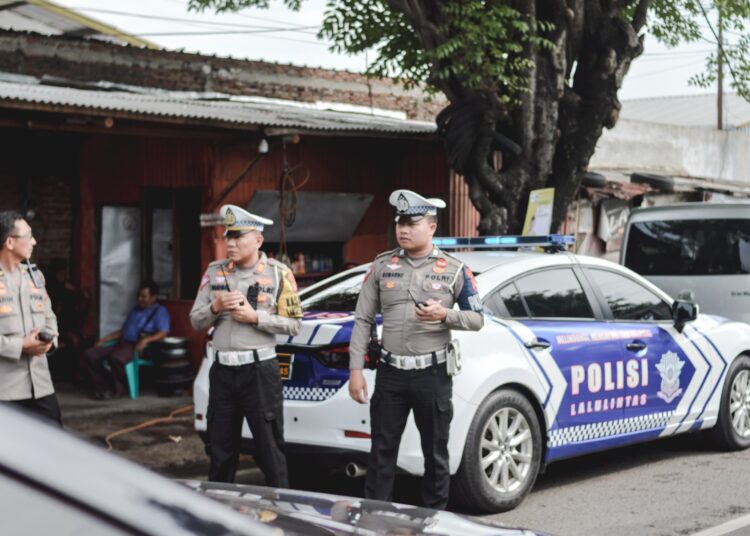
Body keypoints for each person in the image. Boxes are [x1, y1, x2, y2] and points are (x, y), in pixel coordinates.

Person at [348, 189, 484, 509]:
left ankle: (433, 521)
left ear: (432, 227)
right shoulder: (382, 266)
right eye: (400, 223)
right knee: (381, 453)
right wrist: (355, 370)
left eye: (412, 222)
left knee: (435, 455)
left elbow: (478, 319)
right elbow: (363, 319)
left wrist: (445, 315)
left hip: (433, 375)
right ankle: (376, 521)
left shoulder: (455, 269)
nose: (404, 229)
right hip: (391, 374)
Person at [190, 204, 302, 486]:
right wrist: (215, 307)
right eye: (229, 236)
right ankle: (217, 515)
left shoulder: (279, 274)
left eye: (238, 237)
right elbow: (195, 320)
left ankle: (283, 517)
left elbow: (294, 325)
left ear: (258, 240)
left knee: (269, 450)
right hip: (223, 372)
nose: (231, 243)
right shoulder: (215, 272)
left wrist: (256, 318)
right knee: (221, 451)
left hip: (259, 372)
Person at [0, 211, 61, 425]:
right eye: (28, 236)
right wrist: (19, 345)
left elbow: (49, 317)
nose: (34, 241)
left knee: (55, 448)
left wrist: (49, 342)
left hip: (41, 385)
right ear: (9, 242)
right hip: (6, 391)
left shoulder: (35, 277)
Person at [83, 280, 170, 400]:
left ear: (153, 297)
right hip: (121, 343)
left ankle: (117, 390)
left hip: (136, 346)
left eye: (143, 296)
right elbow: (123, 330)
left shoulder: (160, 312)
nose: (140, 299)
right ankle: (103, 388)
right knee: (90, 355)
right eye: (138, 295)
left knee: (116, 358)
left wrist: (145, 341)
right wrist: (105, 339)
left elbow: (163, 332)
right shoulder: (135, 310)